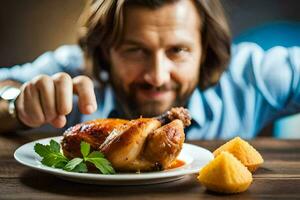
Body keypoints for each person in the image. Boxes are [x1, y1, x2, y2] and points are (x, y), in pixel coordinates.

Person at [0, 0, 299, 139]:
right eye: (135, 50)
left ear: (205, 48)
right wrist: (16, 104)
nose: (157, 75)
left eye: (178, 50)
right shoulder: (73, 73)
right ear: (106, 49)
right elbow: (5, 89)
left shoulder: (250, 75)